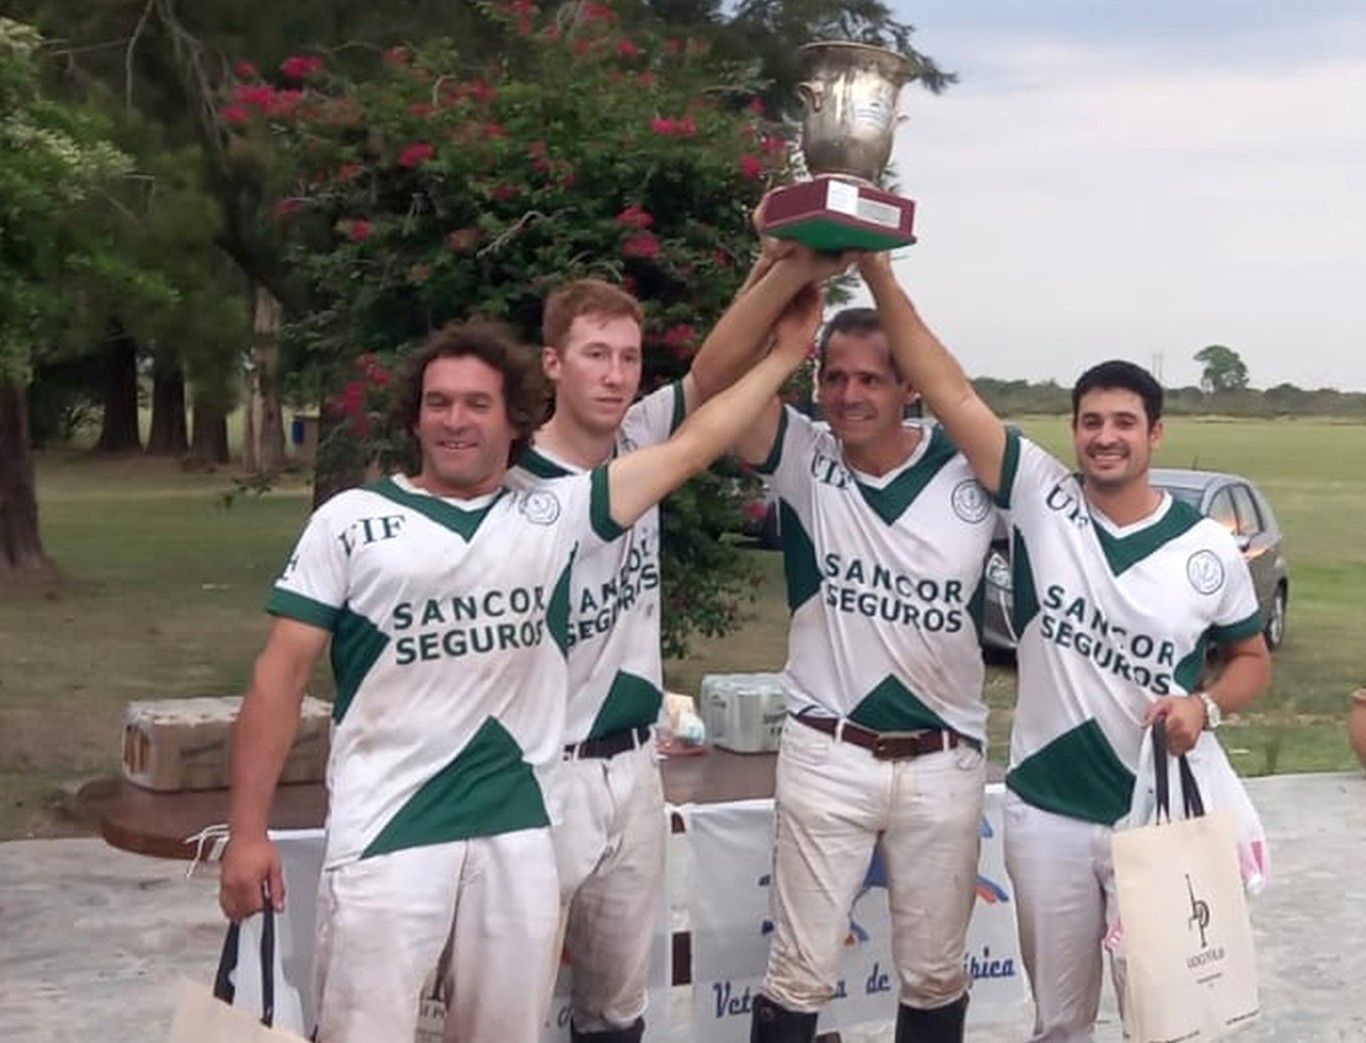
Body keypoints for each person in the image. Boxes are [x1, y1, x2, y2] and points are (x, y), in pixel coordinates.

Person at [218, 295, 824, 1043]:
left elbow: (692, 445)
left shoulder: (557, 512)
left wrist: (783, 356)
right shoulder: (348, 522)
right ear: (414, 417)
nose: (455, 419)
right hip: (387, 836)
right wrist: (248, 830)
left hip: (516, 831)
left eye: (477, 403)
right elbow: (277, 680)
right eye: (438, 402)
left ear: (513, 420)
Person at [853, 251, 1271, 1042]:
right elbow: (950, 393)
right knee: (1059, 1023)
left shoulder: (1205, 550)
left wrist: (1203, 705)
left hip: (1152, 818)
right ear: (1072, 429)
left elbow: (1251, 659)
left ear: (1154, 433)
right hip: (1045, 810)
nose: (1104, 438)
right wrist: (878, 275)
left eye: (1122, 423)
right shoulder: (1039, 497)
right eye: (1089, 422)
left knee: (1168, 1020)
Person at [512, 247, 843, 1043]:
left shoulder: (636, 435)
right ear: (553, 363)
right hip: (541, 768)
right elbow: (713, 413)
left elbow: (710, 376)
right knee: (510, 1004)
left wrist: (780, 270)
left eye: (629, 357)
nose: (616, 374)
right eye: (595, 355)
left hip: (632, 763)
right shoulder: (515, 479)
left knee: (618, 1005)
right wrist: (786, 346)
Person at [732, 303, 999, 1043]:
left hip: (941, 756)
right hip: (828, 749)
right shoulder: (803, 454)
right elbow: (722, 392)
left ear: (908, 385)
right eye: (835, 376)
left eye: (871, 378)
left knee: (935, 973)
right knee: (797, 972)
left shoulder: (967, 466)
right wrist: (785, 323)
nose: (849, 395)